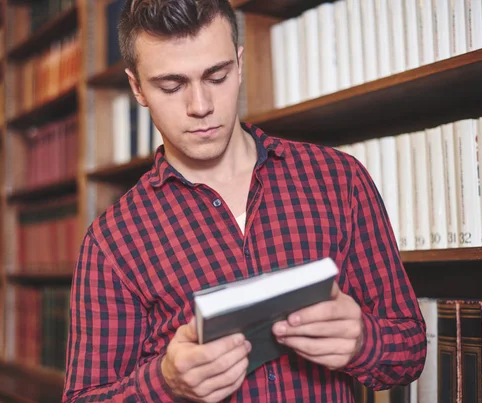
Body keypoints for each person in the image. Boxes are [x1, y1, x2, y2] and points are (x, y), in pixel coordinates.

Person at [62, 0, 427, 401]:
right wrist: (166, 385)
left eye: (216, 76)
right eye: (172, 85)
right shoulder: (113, 241)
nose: (200, 106)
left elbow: (410, 349)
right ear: (137, 88)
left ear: (238, 64)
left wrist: (363, 342)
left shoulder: (339, 180)